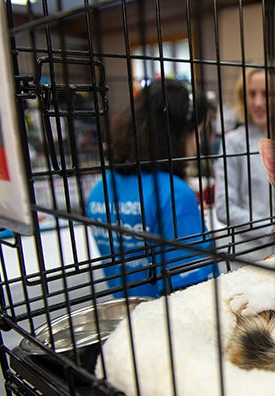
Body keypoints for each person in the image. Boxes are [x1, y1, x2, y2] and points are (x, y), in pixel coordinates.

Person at [87, 79, 217, 298]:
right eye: (198, 132)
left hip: (128, 315)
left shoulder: (100, 189)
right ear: (180, 132)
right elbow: (188, 291)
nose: (197, 143)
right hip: (170, 322)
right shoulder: (174, 194)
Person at [214, 67, 275, 266]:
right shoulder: (233, 143)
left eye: (266, 94)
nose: (258, 102)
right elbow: (224, 207)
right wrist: (272, 230)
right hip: (248, 253)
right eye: (252, 94)